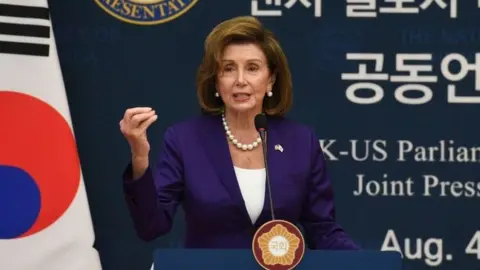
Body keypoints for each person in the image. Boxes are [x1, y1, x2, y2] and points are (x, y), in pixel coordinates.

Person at [119, 16, 359, 250]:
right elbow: (152, 226)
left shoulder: (300, 141)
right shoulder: (184, 139)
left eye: (252, 68)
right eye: (228, 69)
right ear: (216, 80)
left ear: (271, 80)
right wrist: (139, 157)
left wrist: (367, 263)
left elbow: (322, 229)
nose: (240, 80)